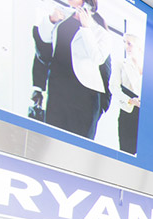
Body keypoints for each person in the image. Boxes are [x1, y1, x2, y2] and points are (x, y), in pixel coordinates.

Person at [33, 0, 113, 140]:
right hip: (57, 88)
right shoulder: (63, 16)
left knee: (78, 146)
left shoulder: (100, 32)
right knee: (50, 140)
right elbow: (44, 39)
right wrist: (51, 19)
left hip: (83, 95)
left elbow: (98, 58)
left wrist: (86, 28)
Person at [116, 32, 142, 155]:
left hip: (145, 115)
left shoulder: (149, 68)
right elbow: (114, 87)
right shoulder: (121, 64)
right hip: (129, 110)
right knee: (127, 151)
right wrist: (130, 101)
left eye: (130, 43)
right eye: (125, 43)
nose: (127, 47)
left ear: (138, 47)